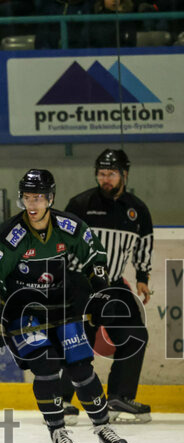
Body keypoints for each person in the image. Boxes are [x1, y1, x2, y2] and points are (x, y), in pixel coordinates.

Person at [0, 169, 129, 443]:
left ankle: (102, 427)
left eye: (38, 197)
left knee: (80, 367)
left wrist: (101, 293)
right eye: (27, 197)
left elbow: (94, 257)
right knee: (46, 366)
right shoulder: (10, 234)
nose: (32, 204)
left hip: (61, 307)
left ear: (50, 198)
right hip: (23, 312)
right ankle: (58, 432)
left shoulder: (69, 226)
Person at [61, 149, 153, 423]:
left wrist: (142, 278)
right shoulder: (79, 205)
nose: (106, 179)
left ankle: (118, 397)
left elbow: (143, 246)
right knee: (78, 339)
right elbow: (60, 243)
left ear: (124, 174)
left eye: (111, 174)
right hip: (81, 284)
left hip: (113, 286)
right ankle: (61, 400)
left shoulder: (137, 210)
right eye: (101, 174)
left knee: (135, 334)